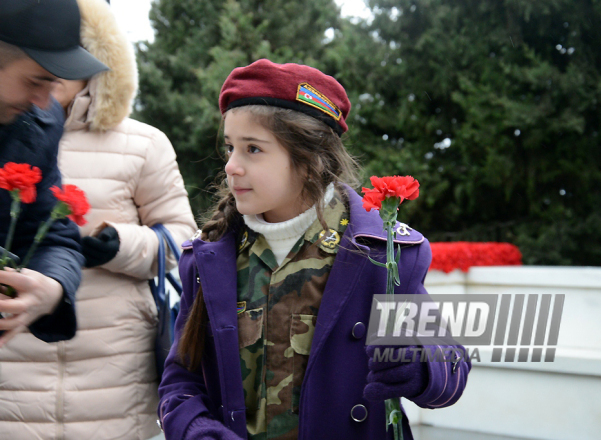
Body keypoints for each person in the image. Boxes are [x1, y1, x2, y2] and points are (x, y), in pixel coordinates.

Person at [157, 59, 471, 440]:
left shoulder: (378, 253)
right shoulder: (207, 259)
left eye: (253, 149)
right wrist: (197, 430)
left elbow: (452, 364)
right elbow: (179, 382)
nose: (231, 166)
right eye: (229, 148)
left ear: (309, 160)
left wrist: (421, 368)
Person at [0, 0, 198, 438]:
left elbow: (184, 238)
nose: (55, 82)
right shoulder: (28, 125)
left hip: (113, 373)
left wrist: (118, 244)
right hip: (15, 373)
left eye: (69, 62)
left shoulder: (144, 143)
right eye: (44, 70)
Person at [0, 0, 108, 346]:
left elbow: (53, 237)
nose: (46, 101)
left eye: (54, 84)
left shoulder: (40, 127)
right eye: (36, 82)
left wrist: (52, 286)